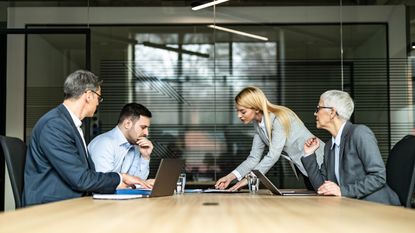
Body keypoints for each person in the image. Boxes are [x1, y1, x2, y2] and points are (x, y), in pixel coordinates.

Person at [23, 70, 152, 206]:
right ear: (89, 96)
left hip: (70, 202)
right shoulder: (55, 125)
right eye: (99, 98)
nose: (98, 103)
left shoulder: (69, 124)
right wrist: (121, 178)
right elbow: (81, 178)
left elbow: (85, 175)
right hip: (52, 207)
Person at [215, 86, 324, 190]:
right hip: (305, 168)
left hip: (321, 164)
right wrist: (230, 177)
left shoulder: (278, 119)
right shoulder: (259, 125)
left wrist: (248, 179)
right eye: (237, 111)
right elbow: (253, 158)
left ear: (256, 108)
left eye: (243, 111)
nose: (239, 115)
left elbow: (273, 155)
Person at [301, 90, 400, 205]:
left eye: (319, 108)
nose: (315, 113)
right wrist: (309, 154)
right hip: (352, 207)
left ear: (332, 112)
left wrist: (342, 191)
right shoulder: (329, 146)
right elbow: (322, 187)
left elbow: (378, 176)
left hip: (377, 207)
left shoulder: (360, 133)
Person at [88, 103, 153, 181]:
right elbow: (104, 183)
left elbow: (138, 182)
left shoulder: (135, 146)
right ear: (127, 124)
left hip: (124, 193)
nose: (147, 133)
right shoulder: (103, 144)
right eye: (143, 127)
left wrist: (145, 157)